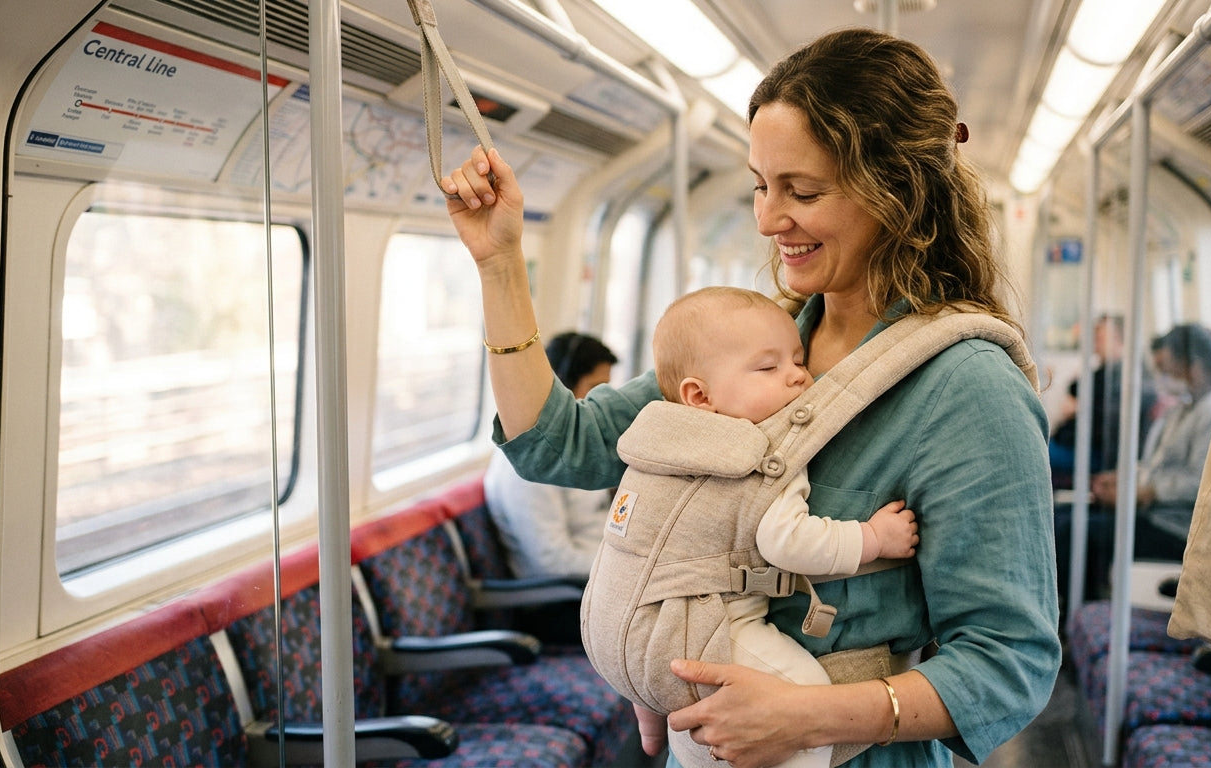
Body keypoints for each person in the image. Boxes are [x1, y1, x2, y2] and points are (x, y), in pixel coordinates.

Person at [441, 26, 1059, 768]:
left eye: (802, 191)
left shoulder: (968, 388)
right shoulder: (755, 346)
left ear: (896, 189)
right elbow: (556, 444)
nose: (768, 219)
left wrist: (803, 717)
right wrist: (500, 262)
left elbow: (1009, 661)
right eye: (760, 186)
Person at [594, 285, 920, 768]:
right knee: (801, 703)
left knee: (689, 715)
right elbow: (788, 541)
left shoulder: (655, 441)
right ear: (699, 395)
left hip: (610, 622)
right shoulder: (761, 456)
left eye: (797, 359)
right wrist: (873, 538)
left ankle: (661, 712)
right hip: (692, 629)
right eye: (769, 368)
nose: (798, 378)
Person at [1055, 323, 1211, 612]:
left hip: (1172, 526)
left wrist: (1147, 492)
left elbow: (1200, 482)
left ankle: (1079, 612)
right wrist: (1123, 479)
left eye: (1166, 368)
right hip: (1150, 513)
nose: (1162, 377)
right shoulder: (1181, 410)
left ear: (1192, 365)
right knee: (1060, 518)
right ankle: (1074, 609)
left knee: (1075, 532)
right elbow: (1155, 466)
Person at [484, 331, 618, 581]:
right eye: (595, 388)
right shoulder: (526, 463)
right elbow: (552, 561)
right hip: (563, 595)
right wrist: (626, 572)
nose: (603, 401)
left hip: (602, 569)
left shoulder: (571, 442)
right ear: (563, 384)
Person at [1048, 314, 1158, 486]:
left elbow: (1107, 423)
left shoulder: (1126, 377)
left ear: (1119, 339)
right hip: (1077, 444)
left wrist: (1079, 409)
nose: (1095, 343)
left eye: (1100, 337)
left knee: (1033, 453)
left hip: (1098, 453)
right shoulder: (1104, 372)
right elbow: (1076, 389)